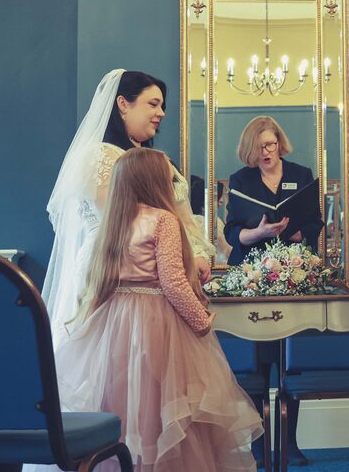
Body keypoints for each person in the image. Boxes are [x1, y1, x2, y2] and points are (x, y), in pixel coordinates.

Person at [53, 147, 262, 471]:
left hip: (114, 322)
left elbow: (98, 279)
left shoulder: (112, 222)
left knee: (121, 403)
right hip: (156, 321)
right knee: (161, 406)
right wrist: (201, 321)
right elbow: (173, 283)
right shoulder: (163, 220)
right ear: (154, 181)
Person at [42, 69, 214, 349]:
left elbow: (182, 216)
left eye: (162, 106)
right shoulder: (100, 156)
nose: (161, 113)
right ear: (123, 104)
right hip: (117, 277)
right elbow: (124, 221)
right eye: (153, 104)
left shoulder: (158, 160)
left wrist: (197, 254)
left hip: (164, 278)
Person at [224, 115, 324, 467]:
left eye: (270, 144)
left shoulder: (301, 174)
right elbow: (232, 231)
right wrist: (259, 233)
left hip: (291, 274)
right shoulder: (241, 180)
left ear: (280, 142)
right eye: (258, 148)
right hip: (252, 277)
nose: (266, 152)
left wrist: (297, 233)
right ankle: (259, 445)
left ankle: (289, 443)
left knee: (289, 362)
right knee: (256, 362)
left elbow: (315, 221)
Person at [190, 175, 232, 264]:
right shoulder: (213, 221)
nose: (222, 201)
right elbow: (225, 250)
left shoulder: (191, 220)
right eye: (219, 196)